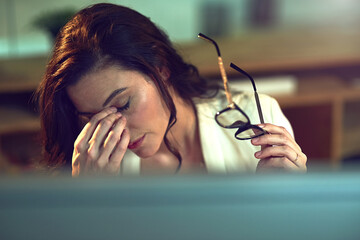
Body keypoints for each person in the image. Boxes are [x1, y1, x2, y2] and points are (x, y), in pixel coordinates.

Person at [35, 3, 307, 176]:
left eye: (123, 105)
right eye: (93, 118)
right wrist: (88, 206)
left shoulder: (257, 116)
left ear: (161, 69)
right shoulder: (90, 167)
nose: (119, 132)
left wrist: (291, 198)